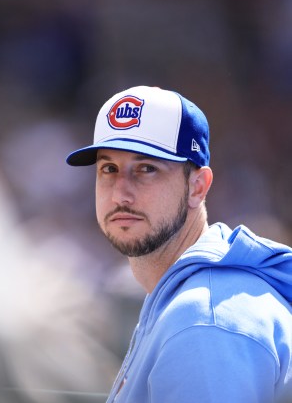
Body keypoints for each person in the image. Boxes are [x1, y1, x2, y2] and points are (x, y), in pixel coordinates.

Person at [65, 85, 292, 402]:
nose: (120, 193)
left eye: (147, 169)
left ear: (198, 186)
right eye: (109, 169)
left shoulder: (204, 320)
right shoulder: (195, 299)